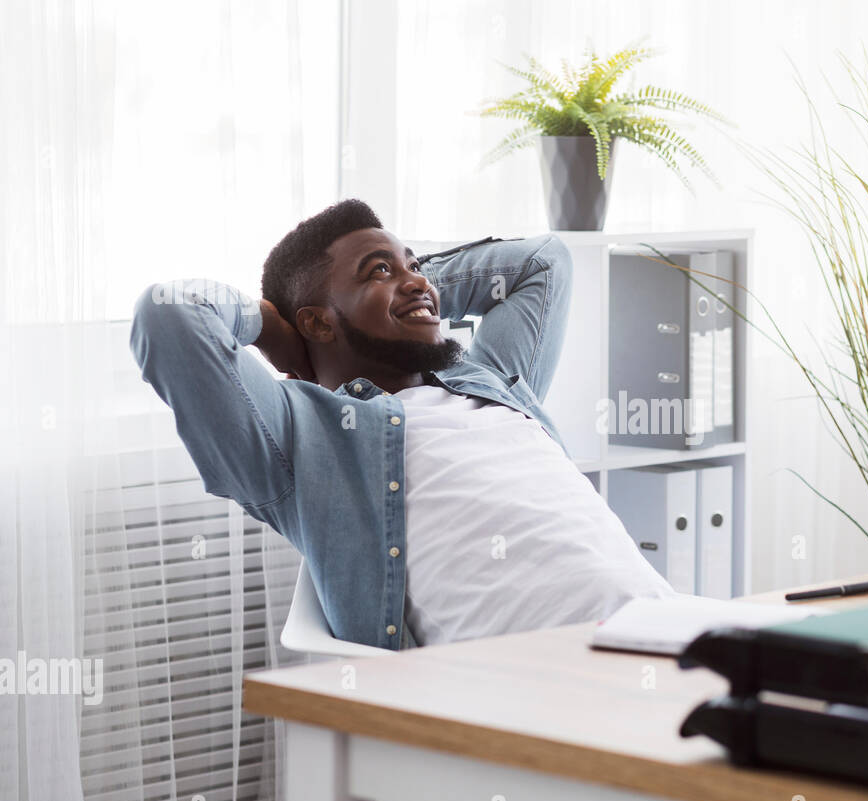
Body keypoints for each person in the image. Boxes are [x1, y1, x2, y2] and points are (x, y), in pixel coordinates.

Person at [130, 199, 674, 652]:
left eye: (415, 266)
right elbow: (169, 313)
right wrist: (270, 323)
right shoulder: (301, 436)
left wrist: (406, 287)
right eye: (380, 271)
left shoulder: (493, 377)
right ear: (316, 322)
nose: (419, 282)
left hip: (663, 632)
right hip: (530, 680)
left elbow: (542, 261)